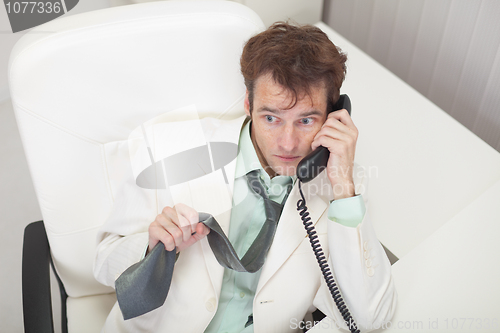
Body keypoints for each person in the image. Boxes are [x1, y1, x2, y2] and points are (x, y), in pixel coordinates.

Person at [94, 22, 397, 333]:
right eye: (271, 118)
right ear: (248, 105)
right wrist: (151, 249)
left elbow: (370, 318)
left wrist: (344, 191)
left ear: (334, 115)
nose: (288, 143)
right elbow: (103, 266)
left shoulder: (344, 185)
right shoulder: (166, 146)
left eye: (306, 120)